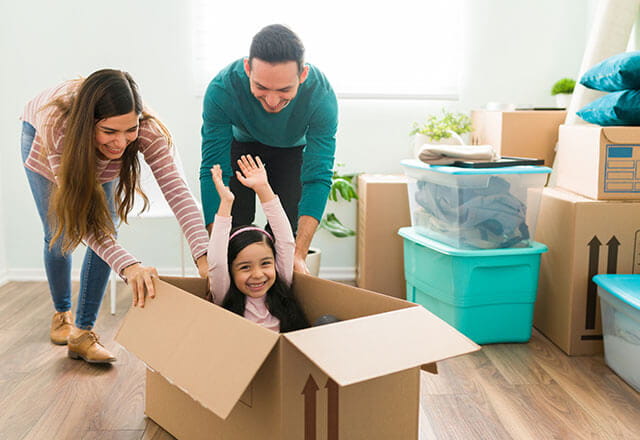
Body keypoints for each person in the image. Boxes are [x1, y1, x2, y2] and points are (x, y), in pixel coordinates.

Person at [20, 69, 210, 364]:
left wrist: (205, 257)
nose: (122, 143)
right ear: (89, 123)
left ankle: (82, 333)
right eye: (110, 131)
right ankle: (62, 313)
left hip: (89, 146)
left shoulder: (146, 129)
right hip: (44, 137)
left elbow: (179, 194)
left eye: (129, 130)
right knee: (59, 234)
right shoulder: (57, 126)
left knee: (108, 229)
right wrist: (130, 267)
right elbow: (81, 220)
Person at [200, 24, 338, 274]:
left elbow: (318, 177)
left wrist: (297, 256)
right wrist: (217, 253)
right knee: (236, 231)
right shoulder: (222, 89)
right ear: (247, 69)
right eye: (261, 88)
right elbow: (214, 170)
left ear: (303, 75)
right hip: (242, 145)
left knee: (284, 233)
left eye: (285, 90)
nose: (272, 101)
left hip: (291, 150)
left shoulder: (321, 97)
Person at [207, 154, 309, 332]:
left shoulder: (280, 284)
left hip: (283, 355)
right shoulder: (225, 292)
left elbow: (286, 241)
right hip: (246, 357)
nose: (257, 274)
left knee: (327, 321)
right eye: (245, 267)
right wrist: (226, 202)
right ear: (231, 270)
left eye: (265, 264)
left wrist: (263, 189)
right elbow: (216, 261)